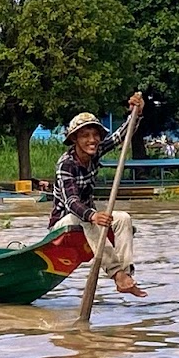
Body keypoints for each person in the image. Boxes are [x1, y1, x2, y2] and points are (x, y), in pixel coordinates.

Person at [49, 92, 147, 297]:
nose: (92, 140)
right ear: (75, 139)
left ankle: (126, 274)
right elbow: (72, 202)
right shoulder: (66, 164)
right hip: (63, 224)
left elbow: (122, 136)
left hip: (87, 220)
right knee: (91, 219)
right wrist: (93, 215)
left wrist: (136, 114)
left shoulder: (95, 153)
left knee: (123, 219)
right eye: (85, 136)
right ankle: (117, 274)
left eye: (95, 135)